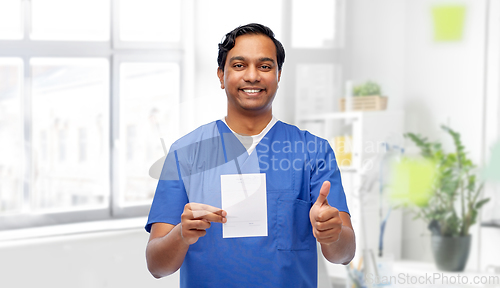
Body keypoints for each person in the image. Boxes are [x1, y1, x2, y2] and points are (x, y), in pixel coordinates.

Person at [145, 23, 355, 287]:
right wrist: (181, 235)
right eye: (239, 65)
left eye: (265, 66)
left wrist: (332, 234)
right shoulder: (185, 153)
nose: (253, 76)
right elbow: (156, 266)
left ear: (279, 75)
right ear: (221, 76)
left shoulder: (313, 151)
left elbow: (345, 254)